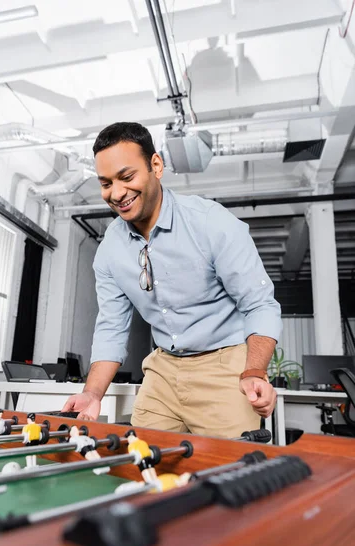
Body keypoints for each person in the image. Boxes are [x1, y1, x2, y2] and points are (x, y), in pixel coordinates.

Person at [62, 122, 282, 438]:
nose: (117, 193)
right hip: (163, 368)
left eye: (126, 177)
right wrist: (92, 394)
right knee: (143, 465)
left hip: (225, 365)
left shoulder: (212, 224)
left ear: (156, 165)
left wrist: (254, 372)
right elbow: (112, 326)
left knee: (229, 475)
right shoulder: (110, 248)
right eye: (106, 183)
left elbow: (259, 305)